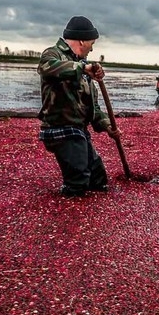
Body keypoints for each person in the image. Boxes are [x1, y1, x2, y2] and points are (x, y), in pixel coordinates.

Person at [37, 15, 121, 197]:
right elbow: (47, 68)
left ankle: (91, 213)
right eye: (92, 43)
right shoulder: (52, 54)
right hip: (61, 129)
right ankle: (67, 215)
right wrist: (82, 69)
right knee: (79, 180)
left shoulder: (84, 67)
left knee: (98, 179)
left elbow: (92, 106)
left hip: (79, 131)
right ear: (82, 40)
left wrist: (107, 126)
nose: (92, 48)